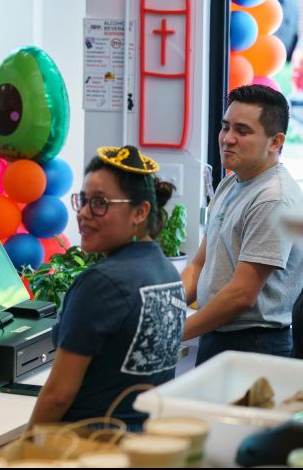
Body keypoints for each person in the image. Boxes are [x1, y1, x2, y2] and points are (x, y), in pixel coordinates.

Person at [29, 146, 186, 430]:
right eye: (84, 200)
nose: (84, 214)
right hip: (145, 444)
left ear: (140, 212)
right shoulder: (168, 272)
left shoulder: (101, 283)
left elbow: (58, 395)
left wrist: (26, 447)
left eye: (100, 203)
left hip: (92, 446)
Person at [181, 85, 303, 365]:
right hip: (219, 333)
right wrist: (163, 310)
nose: (227, 139)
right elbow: (200, 265)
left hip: (256, 344)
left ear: (275, 142)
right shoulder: (232, 181)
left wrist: (173, 332)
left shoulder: (274, 198)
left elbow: (242, 296)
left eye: (242, 131)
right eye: (226, 127)